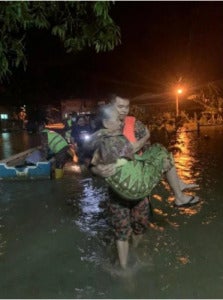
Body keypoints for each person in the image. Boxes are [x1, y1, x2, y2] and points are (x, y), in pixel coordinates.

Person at [90, 95, 199, 270]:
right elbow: (91, 163)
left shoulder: (137, 126)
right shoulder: (103, 129)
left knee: (140, 223)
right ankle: (124, 267)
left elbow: (148, 154)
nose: (124, 110)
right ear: (111, 107)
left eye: (127, 106)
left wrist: (163, 167)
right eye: (119, 106)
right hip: (118, 190)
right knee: (121, 228)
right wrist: (97, 170)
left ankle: (135, 250)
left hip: (141, 185)